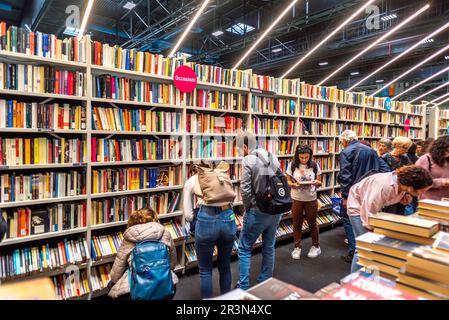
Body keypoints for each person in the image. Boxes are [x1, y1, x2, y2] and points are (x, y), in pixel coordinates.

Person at [347, 165, 433, 272]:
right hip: (357, 207)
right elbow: (367, 211)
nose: (423, 193)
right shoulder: (384, 187)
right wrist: (371, 231)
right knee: (363, 246)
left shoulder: (402, 185)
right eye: (422, 190)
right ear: (411, 187)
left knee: (371, 245)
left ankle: (367, 272)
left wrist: (403, 196)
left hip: (370, 206)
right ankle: (354, 279)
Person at [236, 131, 283, 290]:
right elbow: (280, 182)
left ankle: (243, 286)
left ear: (244, 147)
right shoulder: (272, 156)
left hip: (257, 211)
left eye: (238, 149)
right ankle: (265, 279)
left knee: (244, 248)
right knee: (269, 246)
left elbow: (245, 189)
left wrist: (248, 208)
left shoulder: (248, 159)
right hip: (275, 210)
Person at [182, 161, 236, 299]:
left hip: (207, 219)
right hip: (228, 217)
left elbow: (188, 216)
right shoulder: (221, 175)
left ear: (194, 170)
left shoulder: (192, 180)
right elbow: (232, 200)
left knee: (205, 270)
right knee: (225, 266)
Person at [338, 130, 390, 263]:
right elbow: (385, 169)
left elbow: (346, 176)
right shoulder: (370, 150)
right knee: (367, 220)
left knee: (349, 220)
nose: (341, 144)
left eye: (341, 142)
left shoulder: (346, 152)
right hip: (371, 192)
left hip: (354, 193)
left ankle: (354, 252)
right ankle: (367, 251)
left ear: (345, 140)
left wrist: (345, 196)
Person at [108, 208, 178, 299]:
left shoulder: (129, 238)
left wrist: (113, 283)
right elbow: (172, 263)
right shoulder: (165, 233)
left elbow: (116, 273)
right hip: (166, 284)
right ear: (155, 219)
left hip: (137, 290)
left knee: (111, 287)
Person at [286, 145, 322, 260]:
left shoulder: (315, 165)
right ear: (297, 156)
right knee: (297, 224)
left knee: (312, 223)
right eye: (301, 157)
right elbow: (288, 181)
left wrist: (316, 182)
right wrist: (293, 184)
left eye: (306, 157)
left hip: (311, 198)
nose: (304, 160)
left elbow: (320, 182)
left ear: (310, 156)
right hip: (296, 198)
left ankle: (316, 246)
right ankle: (297, 247)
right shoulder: (292, 165)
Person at [415, 135, 449, 201]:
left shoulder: (447, 160)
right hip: (430, 201)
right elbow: (419, 181)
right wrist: (443, 182)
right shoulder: (426, 159)